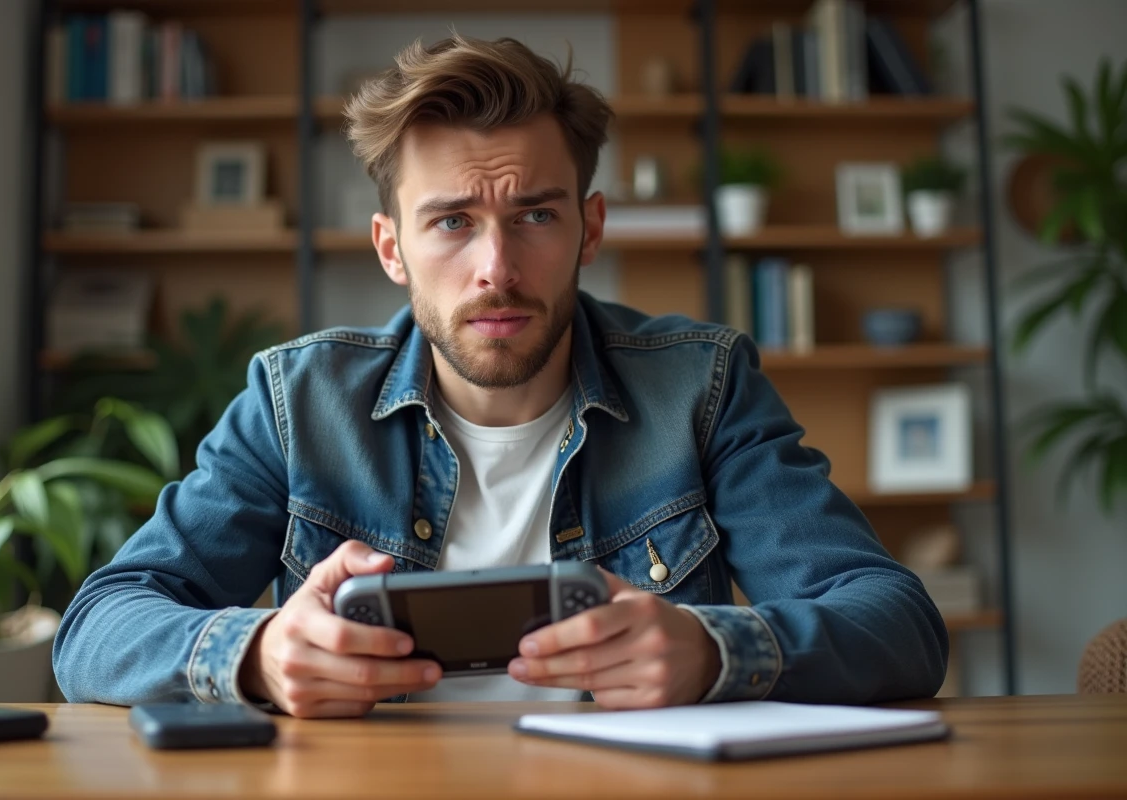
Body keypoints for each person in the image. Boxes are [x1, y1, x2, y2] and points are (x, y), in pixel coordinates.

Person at [53, 34, 948, 718]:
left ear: (589, 229)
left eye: (534, 215)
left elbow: (898, 622)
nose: (496, 267)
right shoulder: (299, 402)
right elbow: (98, 625)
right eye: (451, 222)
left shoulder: (701, 387)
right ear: (391, 247)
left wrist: (718, 650)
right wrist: (257, 655)